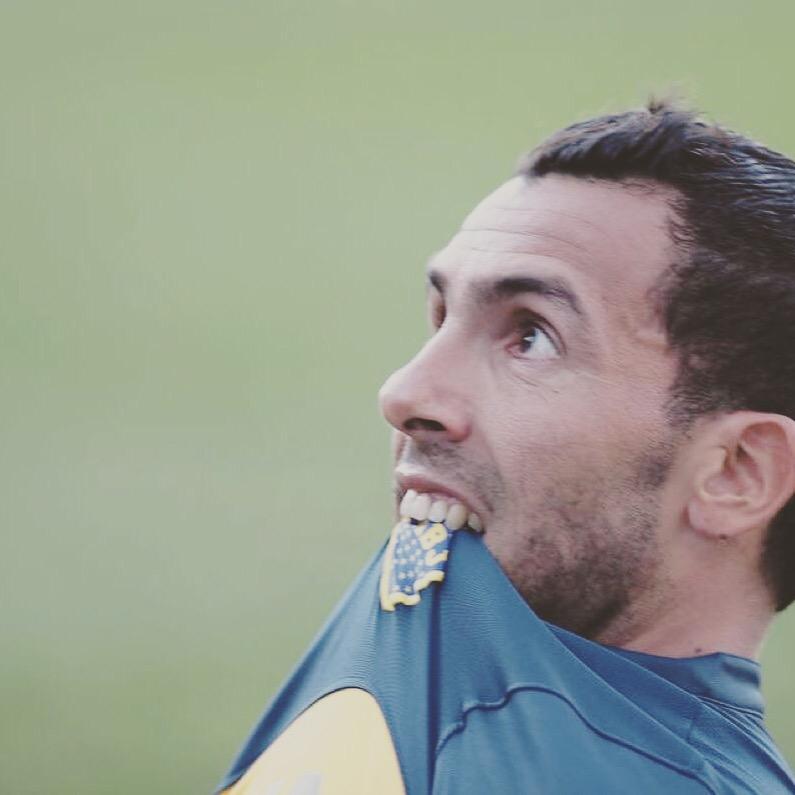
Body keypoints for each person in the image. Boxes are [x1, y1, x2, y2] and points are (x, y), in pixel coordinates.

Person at [216, 100, 795, 794]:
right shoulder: (411, 654)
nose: (405, 393)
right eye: (441, 316)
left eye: (531, 337)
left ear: (735, 473)